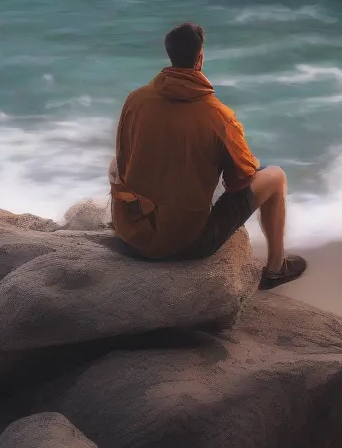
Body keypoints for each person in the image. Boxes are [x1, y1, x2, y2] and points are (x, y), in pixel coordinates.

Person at [109, 21, 307, 290]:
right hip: (184, 243)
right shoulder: (217, 115)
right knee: (275, 176)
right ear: (200, 57)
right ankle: (276, 268)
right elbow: (240, 180)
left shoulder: (135, 100)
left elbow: (121, 159)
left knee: (118, 164)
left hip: (131, 232)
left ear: (169, 55)